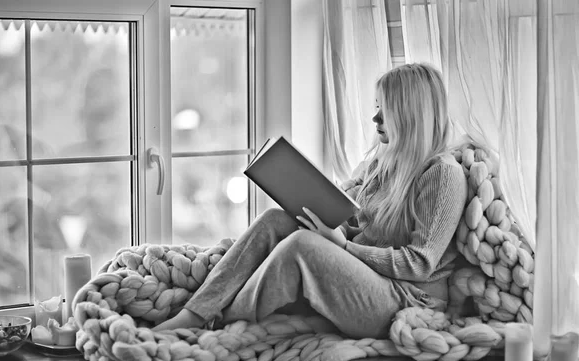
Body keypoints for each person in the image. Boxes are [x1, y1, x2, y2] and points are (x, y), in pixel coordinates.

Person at [153, 63, 467, 339]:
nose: (375, 117)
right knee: (275, 220)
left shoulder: (442, 175)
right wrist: (317, 203)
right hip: (367, 276)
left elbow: (420, 264)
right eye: (376, 106)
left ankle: (221, 325)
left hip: (405, 298)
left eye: (385, 110)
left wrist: (344, 247)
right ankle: (194, 314)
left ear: (410, 114)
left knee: (302, 245)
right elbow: (351, 213)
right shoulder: (384, 162)